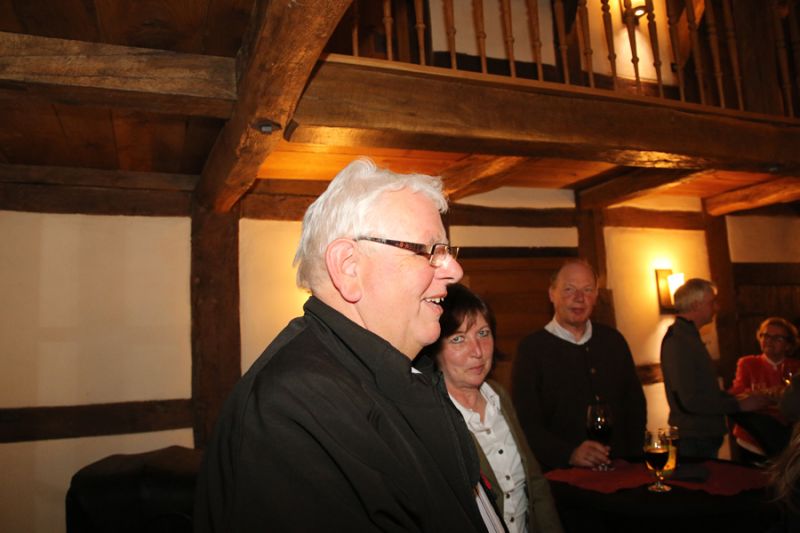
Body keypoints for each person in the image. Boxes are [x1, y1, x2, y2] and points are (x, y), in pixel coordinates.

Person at [194, 158, 497, 532]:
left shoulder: (403, 369)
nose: (454, 270)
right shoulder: (290, 408)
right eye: (430, 250)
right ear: (349, 266)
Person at [420, 283, 564, 533]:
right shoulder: (431, 417)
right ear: (435, 350)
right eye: (458, 339)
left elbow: (534, 482)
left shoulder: (499, 395)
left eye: (483, 333)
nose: (477, 351)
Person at [512, 259, 647, 471]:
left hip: (621, 471)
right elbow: (526, 423)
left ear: (596, 296)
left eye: (587, 290)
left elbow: (635, 406)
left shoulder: (614, 341)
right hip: (562, 476)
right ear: (552, 294)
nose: (579, 298)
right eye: (569, 289)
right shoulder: (531, 349)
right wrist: (569, 454)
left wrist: (632, 459)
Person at [660, 278, 769, 459]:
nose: (716, 308)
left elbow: (704, 391)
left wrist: (737, 397)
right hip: (694, 437)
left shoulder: (688, 336)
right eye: (712, 302)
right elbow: (688, 401)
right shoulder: (678, 340)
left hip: (701, 435)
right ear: (696, 305)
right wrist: (738, 405)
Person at [728, 317, 800, 456]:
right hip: (751, 439)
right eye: (765, 335)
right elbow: (737, 393)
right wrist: (772, 394)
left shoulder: (796, 367)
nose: (769, 341)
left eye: (777, 338)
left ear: (788, 345)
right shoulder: (747, 363)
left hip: (786, 440)